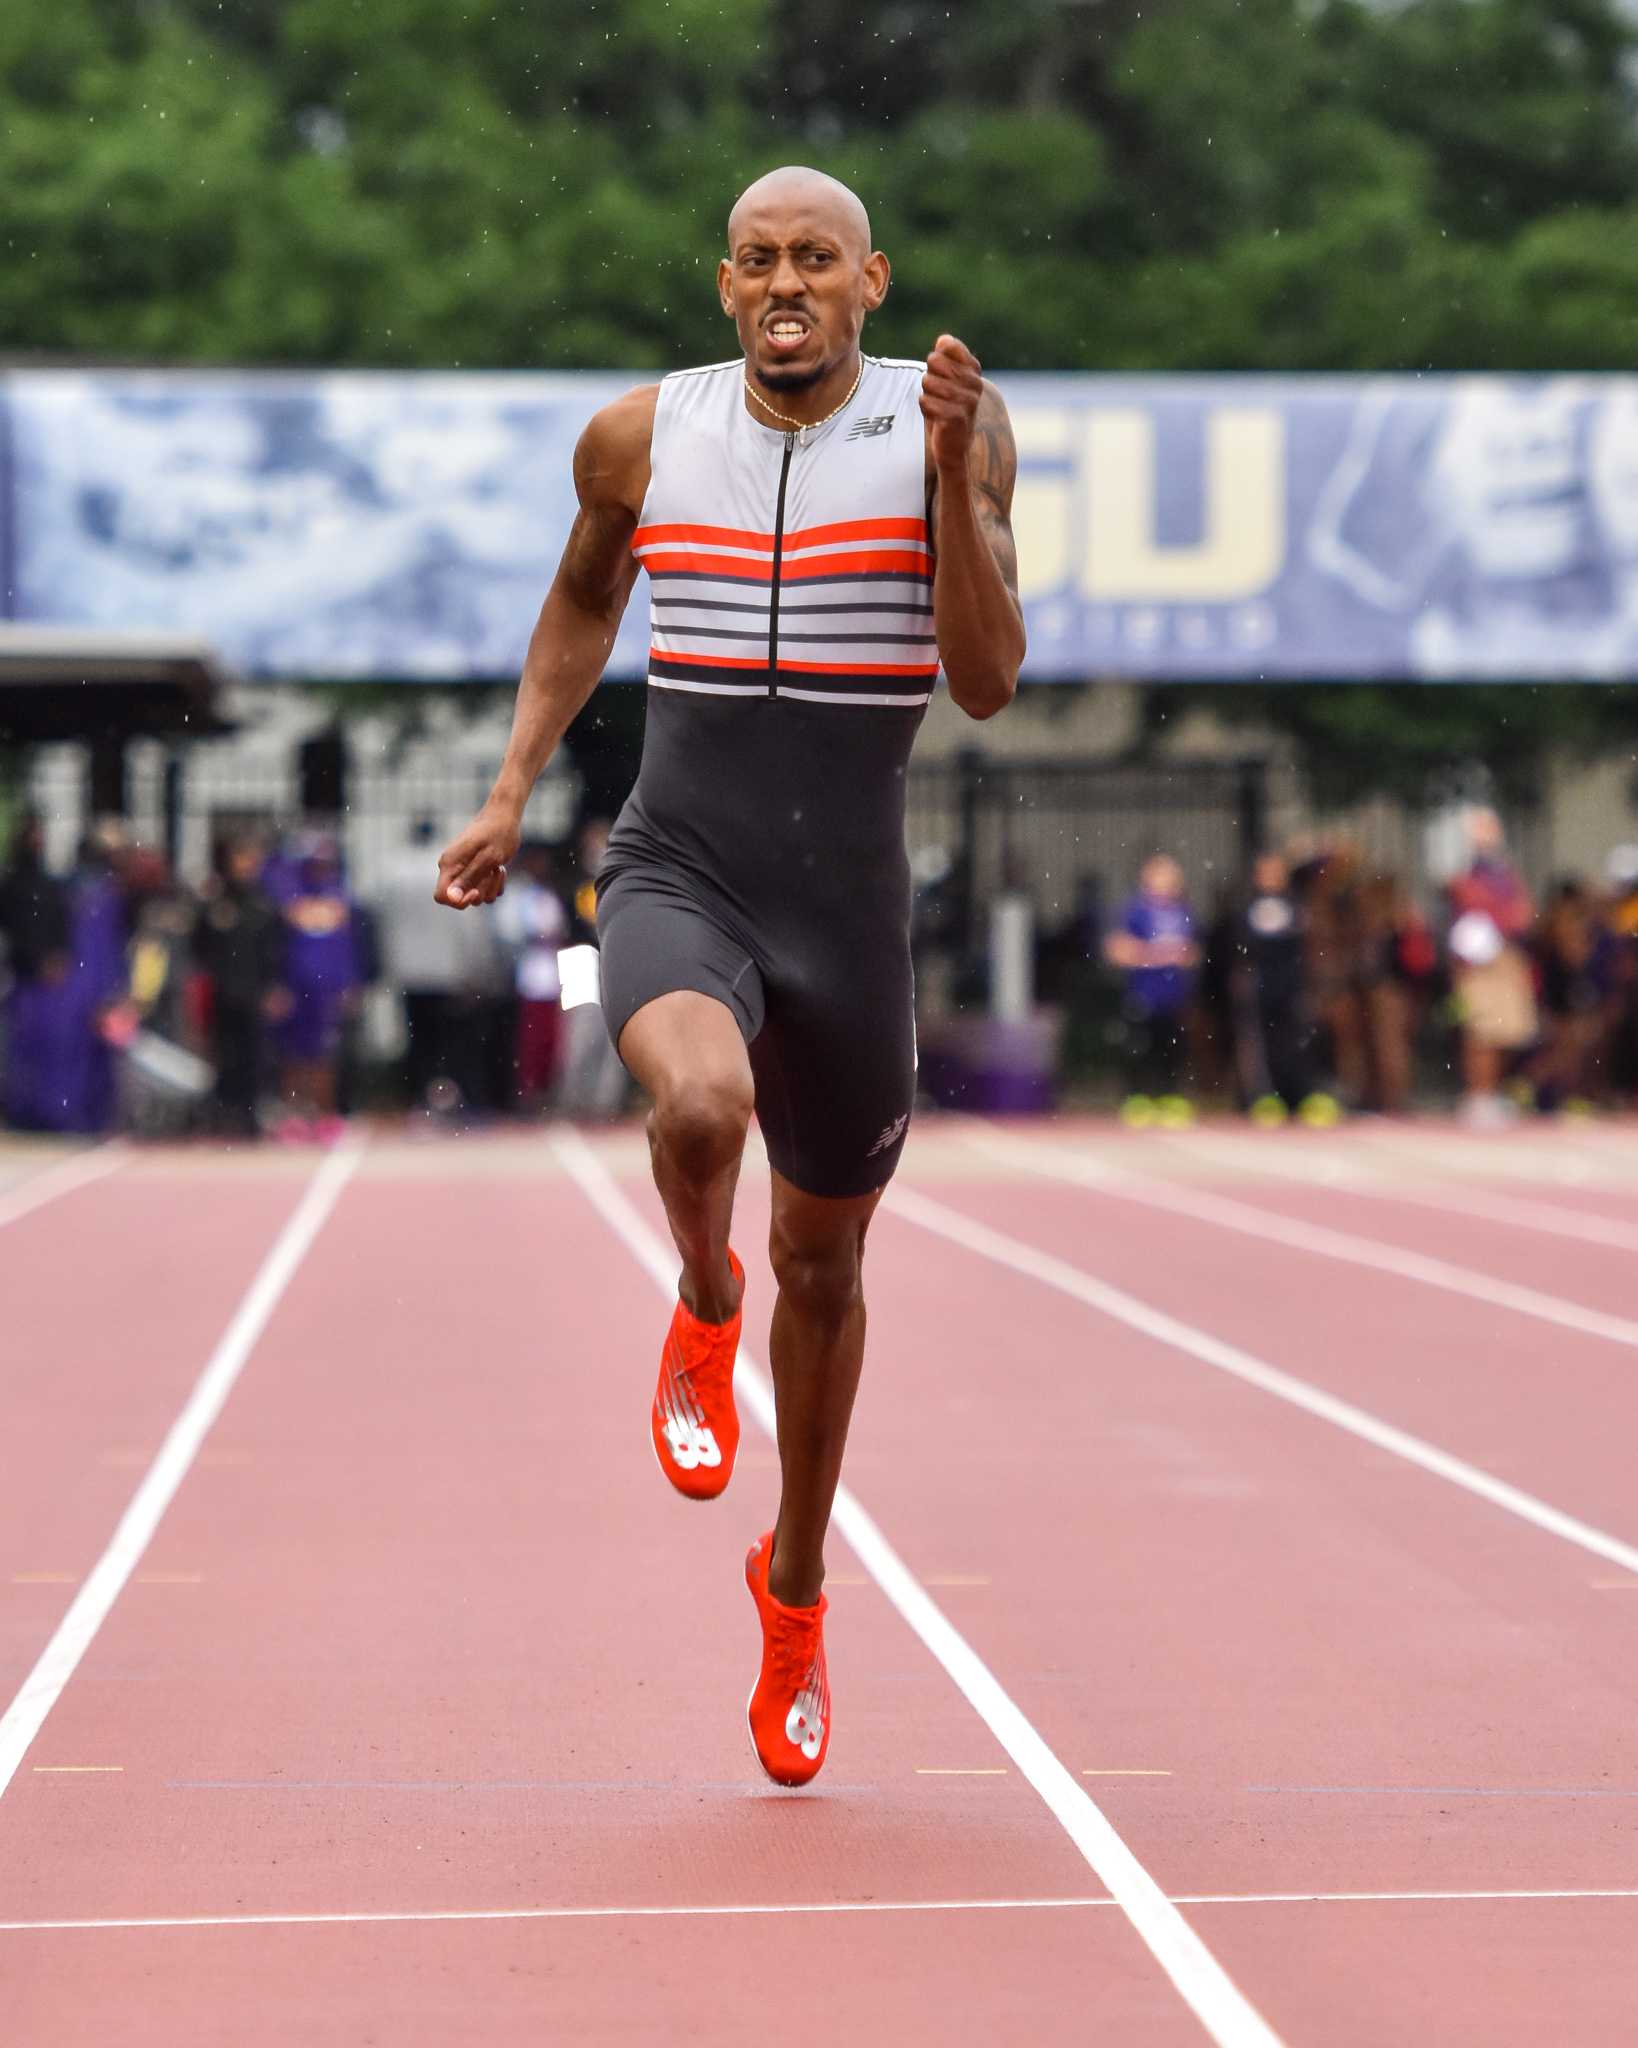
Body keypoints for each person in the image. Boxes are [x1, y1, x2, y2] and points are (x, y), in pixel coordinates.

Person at [435, 166, 1022, 1786]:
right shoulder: (639, 435)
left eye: (813, 260)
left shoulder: (944, 420)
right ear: (722, 285)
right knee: (696, 1099)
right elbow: (577, 599)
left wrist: (956, 470)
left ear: (868, 279)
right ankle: (700, 1299)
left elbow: (981, 680)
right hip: (678, 858)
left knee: (825, 1274)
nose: (785, 283)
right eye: (758, 259)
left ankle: (794, 1586)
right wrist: (507, 790)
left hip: (844, 910)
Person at [1446, 804, 1536, 1125]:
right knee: (1480, 1032)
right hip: (1478, 963)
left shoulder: (1505, 875)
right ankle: (1479, 1095)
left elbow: (1521, 915)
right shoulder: (1466, 878)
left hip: (1503, 958)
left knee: (1506, 1032)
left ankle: (1491, 1092)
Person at [193, 834, 287, 1137]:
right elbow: (201, 948)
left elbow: (274, 950)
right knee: (223, 1055)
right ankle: (223, 1114)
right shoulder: (215, 903)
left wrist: (274, 987)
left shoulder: (263, 903)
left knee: (253, 1056)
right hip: (223, 992)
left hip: (254, 992)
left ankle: (249, 1115)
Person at [1102, 854, 1198, 1125]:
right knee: (1140, 1049)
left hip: (1174, 994)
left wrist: (1179, 956)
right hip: (1143, 993)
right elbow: (1117, 949)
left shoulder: (1183, 913)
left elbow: (1191, 952)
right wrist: (1156, 955)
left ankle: (1171, 1098)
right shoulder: (1135, 910)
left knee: (1173, 1050)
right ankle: (1137, 1099)